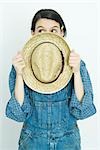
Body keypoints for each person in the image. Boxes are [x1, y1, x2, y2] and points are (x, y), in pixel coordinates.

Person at [6, 9, 96, 150]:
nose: (47, 34)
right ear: (33, 33)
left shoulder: (76, 62)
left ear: (62, 32)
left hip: (68, 141)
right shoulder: (21, 64)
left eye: (53, 30)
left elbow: (82, 110)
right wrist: (19, 74)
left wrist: (76, 72)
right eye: (41, 30)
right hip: (32, 141)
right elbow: (19, 114)